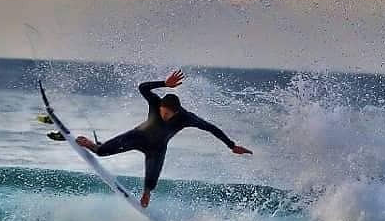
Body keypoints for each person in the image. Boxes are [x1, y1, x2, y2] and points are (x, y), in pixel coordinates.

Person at [75, 69, 252, 207]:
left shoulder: (185, 117)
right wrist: (164, 83)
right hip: (137, 136)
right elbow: (142, 87)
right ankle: (93, 145)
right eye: (164, 113)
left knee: (151, 181)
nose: (165, 116)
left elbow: (210, 128)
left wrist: (231, 145)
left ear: (176, 112)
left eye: (169, 114)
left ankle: (146, 193)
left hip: (157, 149)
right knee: (102, 152)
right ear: (160, 106)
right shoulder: (155, 102)